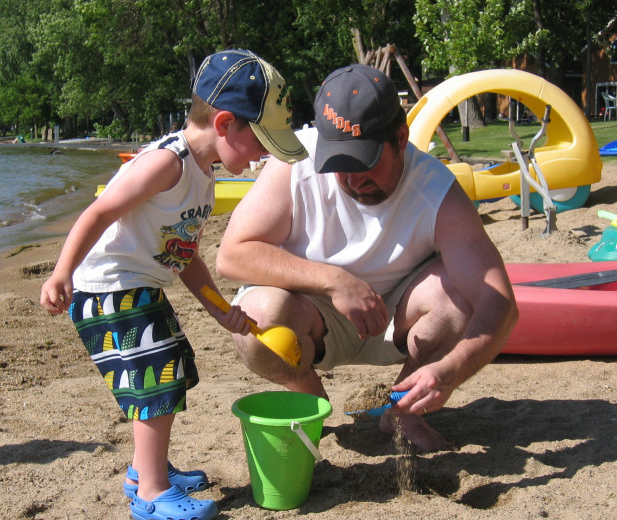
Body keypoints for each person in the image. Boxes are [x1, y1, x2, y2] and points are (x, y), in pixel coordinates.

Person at [40, 49, 306, 520]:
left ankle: (148, 470)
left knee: (172, 369)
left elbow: (183, 257)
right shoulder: (167, 163)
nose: (266, 154)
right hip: (108, 287)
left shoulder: (204, 178)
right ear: (224, 124)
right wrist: (62, 272)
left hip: (140, 286)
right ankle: (151, 494)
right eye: (262, 141)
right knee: (153, 379)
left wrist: (220, 309)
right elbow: (100, 211)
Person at [215, 64, 518, 452]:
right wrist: (334, 280)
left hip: (397, 317)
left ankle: (403, 412)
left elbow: (500, 302)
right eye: (339, 164)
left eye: (364, 161)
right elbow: (231, 255)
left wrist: (450, 371)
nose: (353, 180)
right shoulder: (295, 162)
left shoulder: (437, 189)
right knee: (257, 317)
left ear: (401, 138)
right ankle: (310, 398)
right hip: (311, 313)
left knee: (460, 296)